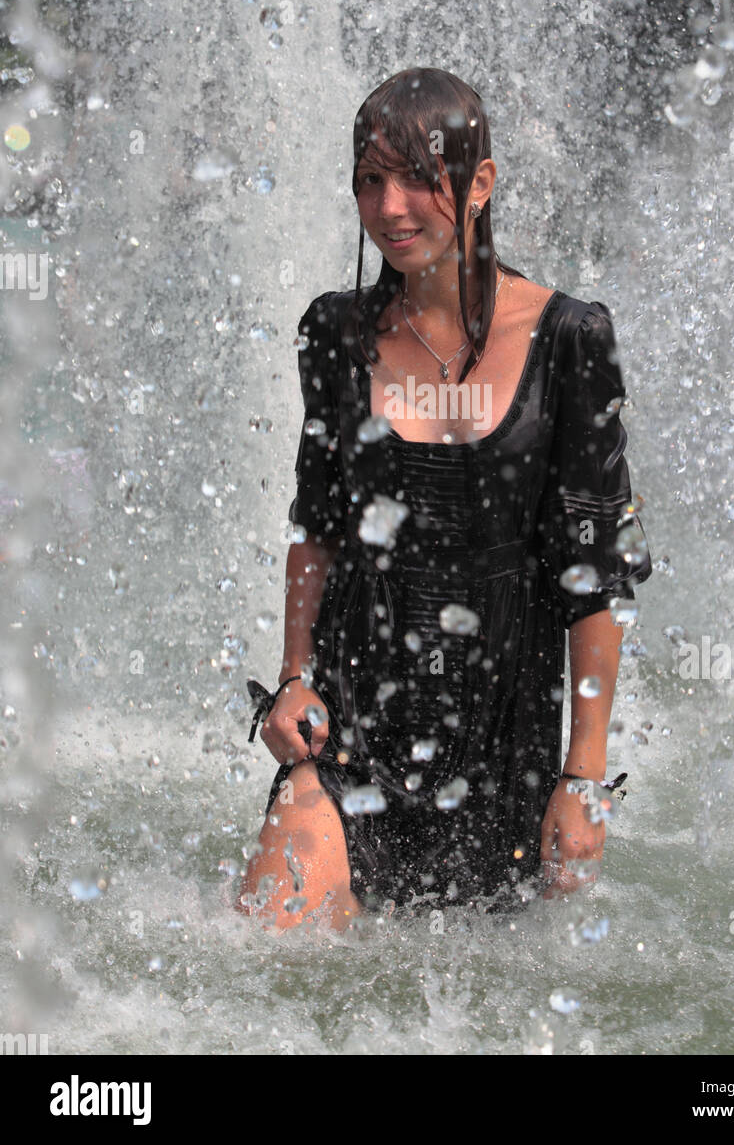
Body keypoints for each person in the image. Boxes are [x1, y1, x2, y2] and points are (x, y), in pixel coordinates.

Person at [236, 67, 652, 932]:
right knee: (262, 943)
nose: (391, 208)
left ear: (480, 185)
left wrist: (584, 778)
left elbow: (594, 573)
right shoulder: (336, 334)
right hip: (352, 730)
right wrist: (290, 680)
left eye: (420, 177)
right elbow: (316, 529)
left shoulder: (569, 339)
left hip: (508, 744)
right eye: (370, 181)